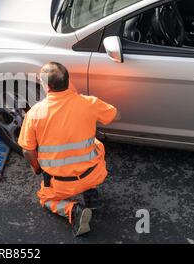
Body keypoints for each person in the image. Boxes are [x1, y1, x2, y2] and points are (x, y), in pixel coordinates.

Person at [18, 62, 120, 237]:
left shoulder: (34, 113)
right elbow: (115, 115)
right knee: (95, 144)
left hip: (61, 184)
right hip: (93, 174)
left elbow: (27, 150)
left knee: (45, 198)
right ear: (68, 81)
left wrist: (36, 167)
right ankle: (91, 196)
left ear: (46, 85)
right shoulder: (89, 103)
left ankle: (73, 211)